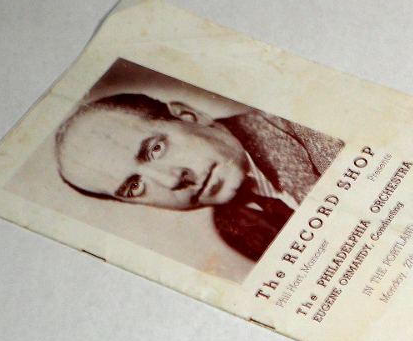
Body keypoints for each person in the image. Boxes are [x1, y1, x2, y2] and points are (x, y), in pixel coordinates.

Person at [54, 93, 344, 261]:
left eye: (155, 149)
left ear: (189, 116)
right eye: (134, 186)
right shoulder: (233, 225)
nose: (170, 181)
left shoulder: (313, 128)